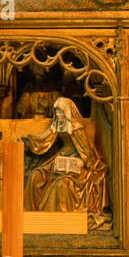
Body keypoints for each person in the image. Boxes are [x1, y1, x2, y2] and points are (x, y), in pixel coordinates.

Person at [23, 97, 108, 226]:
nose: (58, 115)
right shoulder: (57, 124)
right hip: (60, 158)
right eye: (56, 112)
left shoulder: (76, 127)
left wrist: (82, 162)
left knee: (62, 184)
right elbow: (43, 139)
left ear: (67, 112)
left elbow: (87, 150)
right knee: (36, 175)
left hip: (76, 161)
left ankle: (60, 221)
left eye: (60, 112)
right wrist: (28, 141)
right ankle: (32, 217)